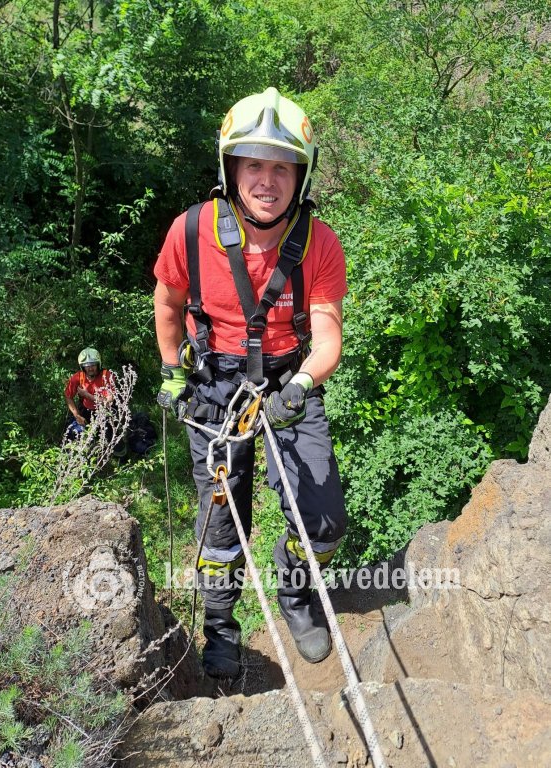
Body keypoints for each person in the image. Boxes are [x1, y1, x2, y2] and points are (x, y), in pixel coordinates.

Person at [154, 87, 348, 679]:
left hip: (290, 379)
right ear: (231, 168)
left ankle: (293, 594)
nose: (268, 181)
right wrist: (172, 369)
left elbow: (328, 338)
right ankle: (220, 627)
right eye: (254, 165)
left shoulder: (319, 243)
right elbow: (168, 301)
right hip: (214, 380)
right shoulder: (191, 232)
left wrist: (302, 386)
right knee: (219, 521)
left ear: (300, 174)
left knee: (324, 523)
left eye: (281, 167)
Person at [64, 348, 126, 457]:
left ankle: (121, 457)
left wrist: (87, 395)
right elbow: (68, 396)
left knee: (112, 436)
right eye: (87, 365)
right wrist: (77, 415)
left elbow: (108, 401)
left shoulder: (107, 376)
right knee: (73, 431)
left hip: (105, 411)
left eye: (93, 365)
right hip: (86, 410)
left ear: (98, 364)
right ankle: (74, 456)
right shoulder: (78, 378)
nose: (90, 368)